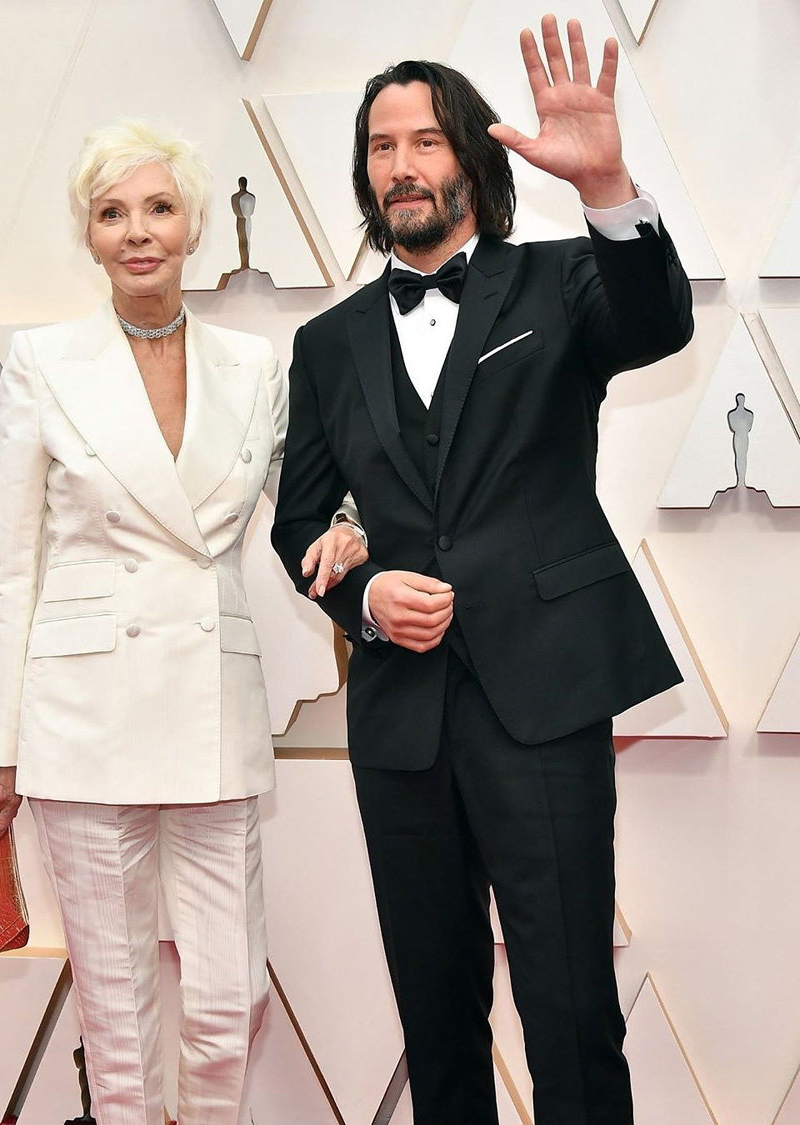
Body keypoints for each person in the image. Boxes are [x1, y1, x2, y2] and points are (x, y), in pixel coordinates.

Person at [272, 17, 692, 1125]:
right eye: (381, 147)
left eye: (425, 141)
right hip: (400, 719)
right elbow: (301, 522)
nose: (402, 166)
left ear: (471, 155)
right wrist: (366, 595)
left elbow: (658, 323)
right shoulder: (326, 344)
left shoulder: (560, 280)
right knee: (434, 1012)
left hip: (542, 697)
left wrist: (605, 186)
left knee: (570, 1006)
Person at [0, 119, 367, 1125]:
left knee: (232, 998)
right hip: (81, 713)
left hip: (209, 703)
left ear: (193, 224)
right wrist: (0, 745)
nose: (137, 232)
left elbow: (305, 497)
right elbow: (11, 565)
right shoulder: (43, 362)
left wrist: (350, 525)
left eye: (157, 208)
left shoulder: (255, 365)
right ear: (89, 234)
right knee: (117, 1016)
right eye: (112, 213)